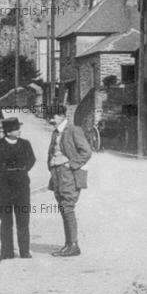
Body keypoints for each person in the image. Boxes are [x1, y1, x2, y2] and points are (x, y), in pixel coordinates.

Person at [0, 117, 36, 259]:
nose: (19, 131)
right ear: (8, 132)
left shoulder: (25, 144)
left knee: (23, 219)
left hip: (22, 186)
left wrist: (23, 170)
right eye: (16, 129)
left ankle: (24, 251)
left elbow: (32, 159)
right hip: (4, 188)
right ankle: (7, 252)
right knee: (6, 220)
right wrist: (1, 176)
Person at [47, 106, 91, 257]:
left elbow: (86, 152)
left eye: (52, 117)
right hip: (57, 174)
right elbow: (52, 151)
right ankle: (69, 244)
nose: (50, 120)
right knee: (63, 207)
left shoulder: (74, 130)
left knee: (67, 207)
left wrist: (70, 164)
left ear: (61, 116)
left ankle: (73, 245)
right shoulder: (55, 132)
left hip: (69, 175)